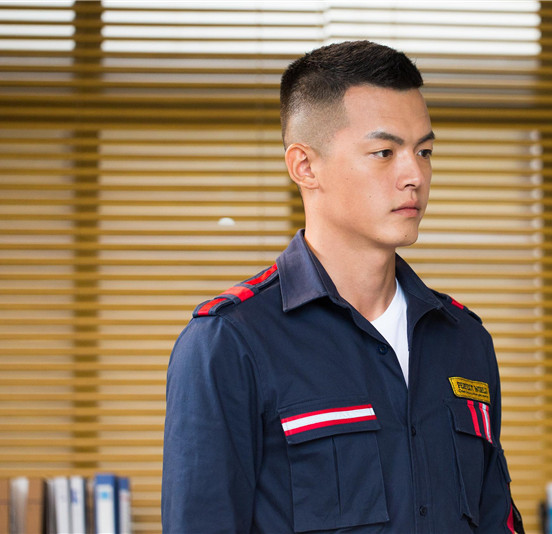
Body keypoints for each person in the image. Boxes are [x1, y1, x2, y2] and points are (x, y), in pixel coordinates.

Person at [162, 40, 523, 533]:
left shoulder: (464, 340)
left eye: (424, 151)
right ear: (305, 167)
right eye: (384, 152)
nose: (415, 175)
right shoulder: (230, 342)